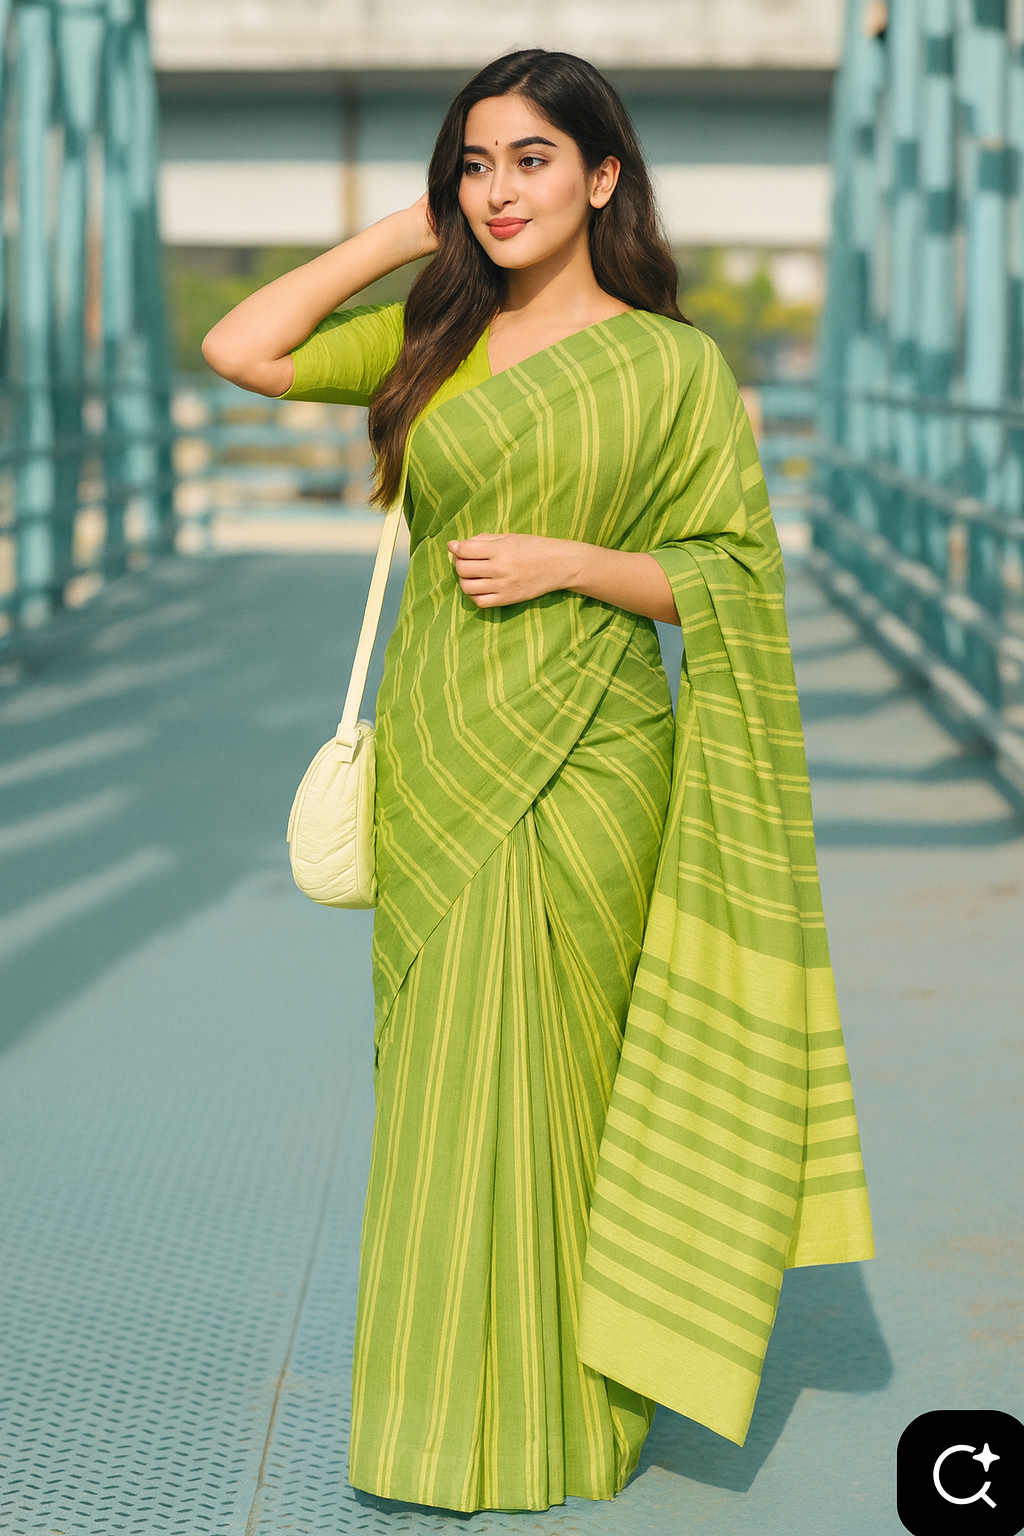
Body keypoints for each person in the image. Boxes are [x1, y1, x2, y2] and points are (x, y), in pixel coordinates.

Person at [202, 48, 874, 1516]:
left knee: (563, 1083)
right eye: (476, 165)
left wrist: (579, 566)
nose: (500, 191)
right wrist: (402, 239)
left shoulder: (675, 366)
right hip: (441, 756)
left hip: (592, 764)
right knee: (442, 1094)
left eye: (531, 161)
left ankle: (574, 1419)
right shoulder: (428, 343)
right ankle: (440, 1425)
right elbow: (244, 350)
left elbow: (733, 584)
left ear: (604, 175)